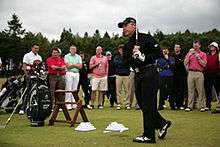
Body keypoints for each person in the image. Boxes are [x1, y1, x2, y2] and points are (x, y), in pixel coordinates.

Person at [118, 17, 171, 143]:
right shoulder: (127, 46)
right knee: (143, 104)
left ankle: (148, 135)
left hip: (150, 72)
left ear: (134, 26)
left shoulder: (146, 38)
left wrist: (143, 56)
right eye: (122, 27)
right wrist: (133, 56)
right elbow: (125, 63)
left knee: (148, 104)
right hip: (138, 75)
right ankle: (162, 123)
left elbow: (158, 53)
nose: (123, 29)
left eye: (125, 26)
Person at [19, 43, 42, 115]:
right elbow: (24, 65)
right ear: (32, 48)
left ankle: (33, 106)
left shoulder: (39, 57)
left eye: (37, 48)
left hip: (37, 77)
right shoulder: (27, 55)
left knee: (37, 92)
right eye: (35, 48)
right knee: (27, 91)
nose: (36, 49)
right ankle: (23, 108)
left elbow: (40, 67)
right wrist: (26, 75)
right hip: (29, 76)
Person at [184, 40, 207, 112]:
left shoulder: (203, 54)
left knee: (200, 90)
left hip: (199, 73)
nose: (195, 47)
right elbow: (185, 63)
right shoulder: (189, 53)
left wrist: (198, 57)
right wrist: (189, 55)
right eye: (194, 46)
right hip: (190, 73)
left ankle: (201, 106)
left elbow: (204, 64)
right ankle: (190, 106)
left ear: (200, 46)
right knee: (190, 90)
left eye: (196, 46)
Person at [64, 45, 82, 110]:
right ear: (70, 50)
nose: (73, 50)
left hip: (76, 73)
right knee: (69, 88)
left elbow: (80, 66)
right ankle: (68, 105)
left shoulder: (78, 56)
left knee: (74, 89)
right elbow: (68, 66)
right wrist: (75, 65)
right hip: (69, 73)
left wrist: (73, 65)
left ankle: (74, 104)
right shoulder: (66, 56)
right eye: (72, 49)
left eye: (74, 49)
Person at [114, 45, 131, 110]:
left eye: (123, 49)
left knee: (127, 90)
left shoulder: (127, 57)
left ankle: (127, 104)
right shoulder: (116, 57)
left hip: (126, 75)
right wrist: (123, 63)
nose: (121, 50)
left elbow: (128, 63)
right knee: (118, 90)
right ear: (118, 50)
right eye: (120, 49)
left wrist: (121, 64)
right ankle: (119, 104)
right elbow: (115, 64)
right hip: (118, 75)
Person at [204, 42, 219, 111]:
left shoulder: (218, 55)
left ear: (216, 47)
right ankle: (208, 105)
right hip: (207, 74)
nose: (211, 47)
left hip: (216, 75)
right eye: (210, 46)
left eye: (213, 46)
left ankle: (218, 106)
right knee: (208, 90)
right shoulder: (207, 55)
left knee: (217, 91)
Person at [172, 43, 187, 110]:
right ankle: (175, 104)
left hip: (181, 75)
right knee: (174, 90)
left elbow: (180, 64)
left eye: (178, 47)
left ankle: (180, 104)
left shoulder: (183, 55)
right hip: (173, 75)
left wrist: (176, 62)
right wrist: (177, 62)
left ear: (180, 48)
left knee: (181, 90)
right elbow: (172, 64)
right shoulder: (172, 55)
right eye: (175, 47)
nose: (176, 48)